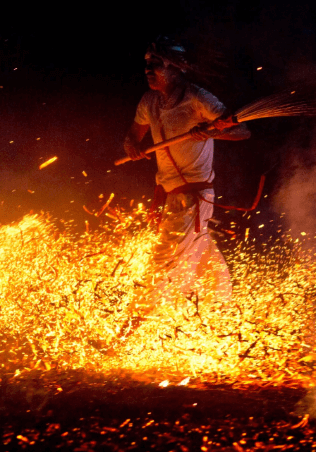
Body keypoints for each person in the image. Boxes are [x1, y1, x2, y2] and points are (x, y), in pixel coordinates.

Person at [119, 36, 251, 339]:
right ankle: (225, 330)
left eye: (156, 64)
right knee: (211, 270)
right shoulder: (149, 102)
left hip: (193, 199)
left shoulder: (198, 99)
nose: (148, 70)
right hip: (171, 197)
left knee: (161, 261)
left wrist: (210, 132)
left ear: (176, 68)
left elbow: (242, 131)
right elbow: (132, 136)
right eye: (147, 65)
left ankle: (128, 334)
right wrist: (132, 147)